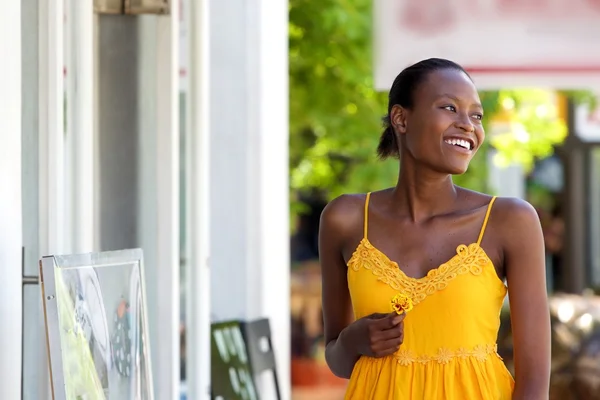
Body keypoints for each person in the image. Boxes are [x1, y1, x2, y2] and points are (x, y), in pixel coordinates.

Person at [319, 58, 551, 399]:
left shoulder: (509, 220)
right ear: (401, 118)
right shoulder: (345, 219)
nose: (468, 125)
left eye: (476, 115)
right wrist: (353, 341)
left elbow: (534, 383)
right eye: (449, 108)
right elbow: (337, 359)